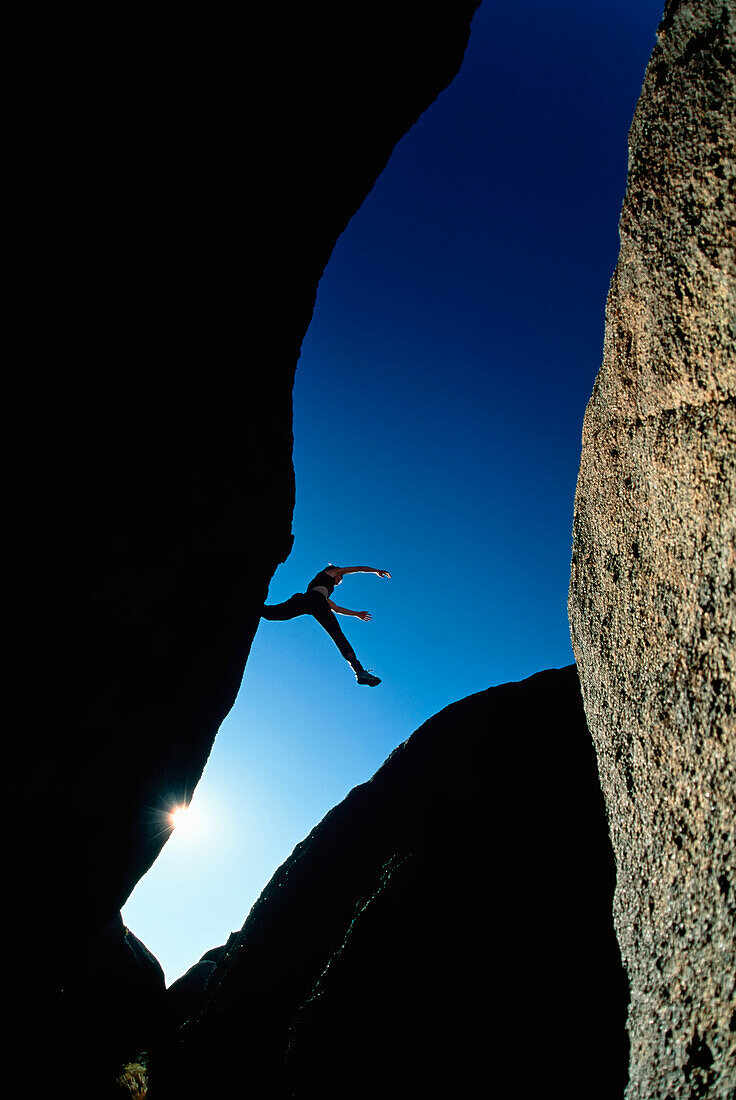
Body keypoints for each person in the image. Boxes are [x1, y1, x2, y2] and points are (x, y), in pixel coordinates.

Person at [261, 564, 391, 686]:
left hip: (315, 602)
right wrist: (376, 571)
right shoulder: (330, 572)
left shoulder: (325, 592)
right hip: (312, 599)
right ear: (335, 572)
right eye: (339, 579)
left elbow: (336, 608)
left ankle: (360, 672)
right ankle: (257, 607)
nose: (338, 581)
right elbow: (358, 568)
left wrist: (356, 614)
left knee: (337, 634)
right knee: (275, 614)